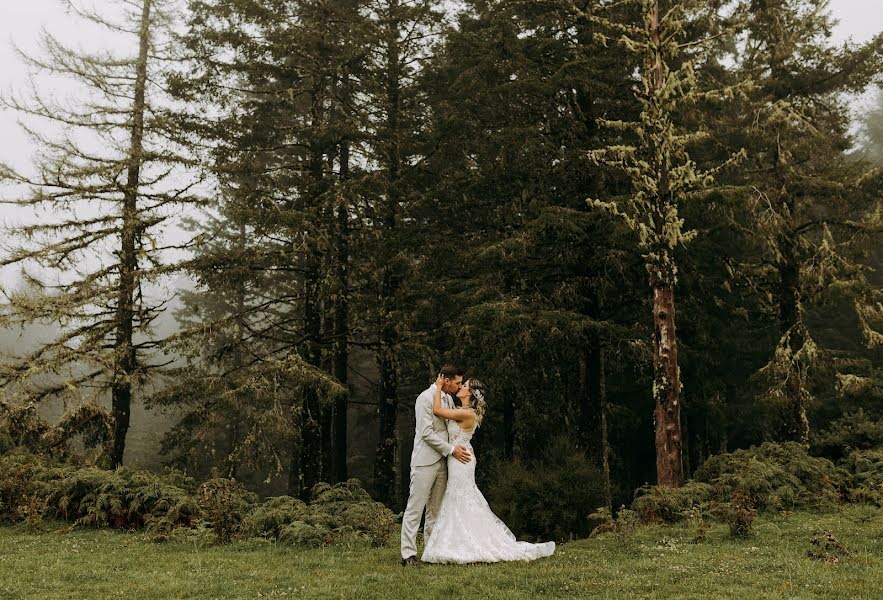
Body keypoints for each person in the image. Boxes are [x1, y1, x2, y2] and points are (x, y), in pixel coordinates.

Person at [420, 375, 556, 564]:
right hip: (460, 457)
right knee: (459, 497)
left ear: (470, 393)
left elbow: (437, 410)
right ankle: (458, 540)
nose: (461, 387)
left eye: (464, 385)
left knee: (460, 497)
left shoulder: (467, 413)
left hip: (461, 462)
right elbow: (459, 433)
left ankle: (465, 543)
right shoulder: (461, 410)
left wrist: (438, 386)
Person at [400, 365, 473, 567]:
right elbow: (426, 433)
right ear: (446, 380)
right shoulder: (424, 398)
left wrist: (465, 446)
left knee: (435, 510)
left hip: (443, 462)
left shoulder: (448, 398)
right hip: (425, 461)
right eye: (457, 382)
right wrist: (452, 450)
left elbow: (455, 429)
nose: (459, 386)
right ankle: (408, 555)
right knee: (415, 508)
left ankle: (430, 552)